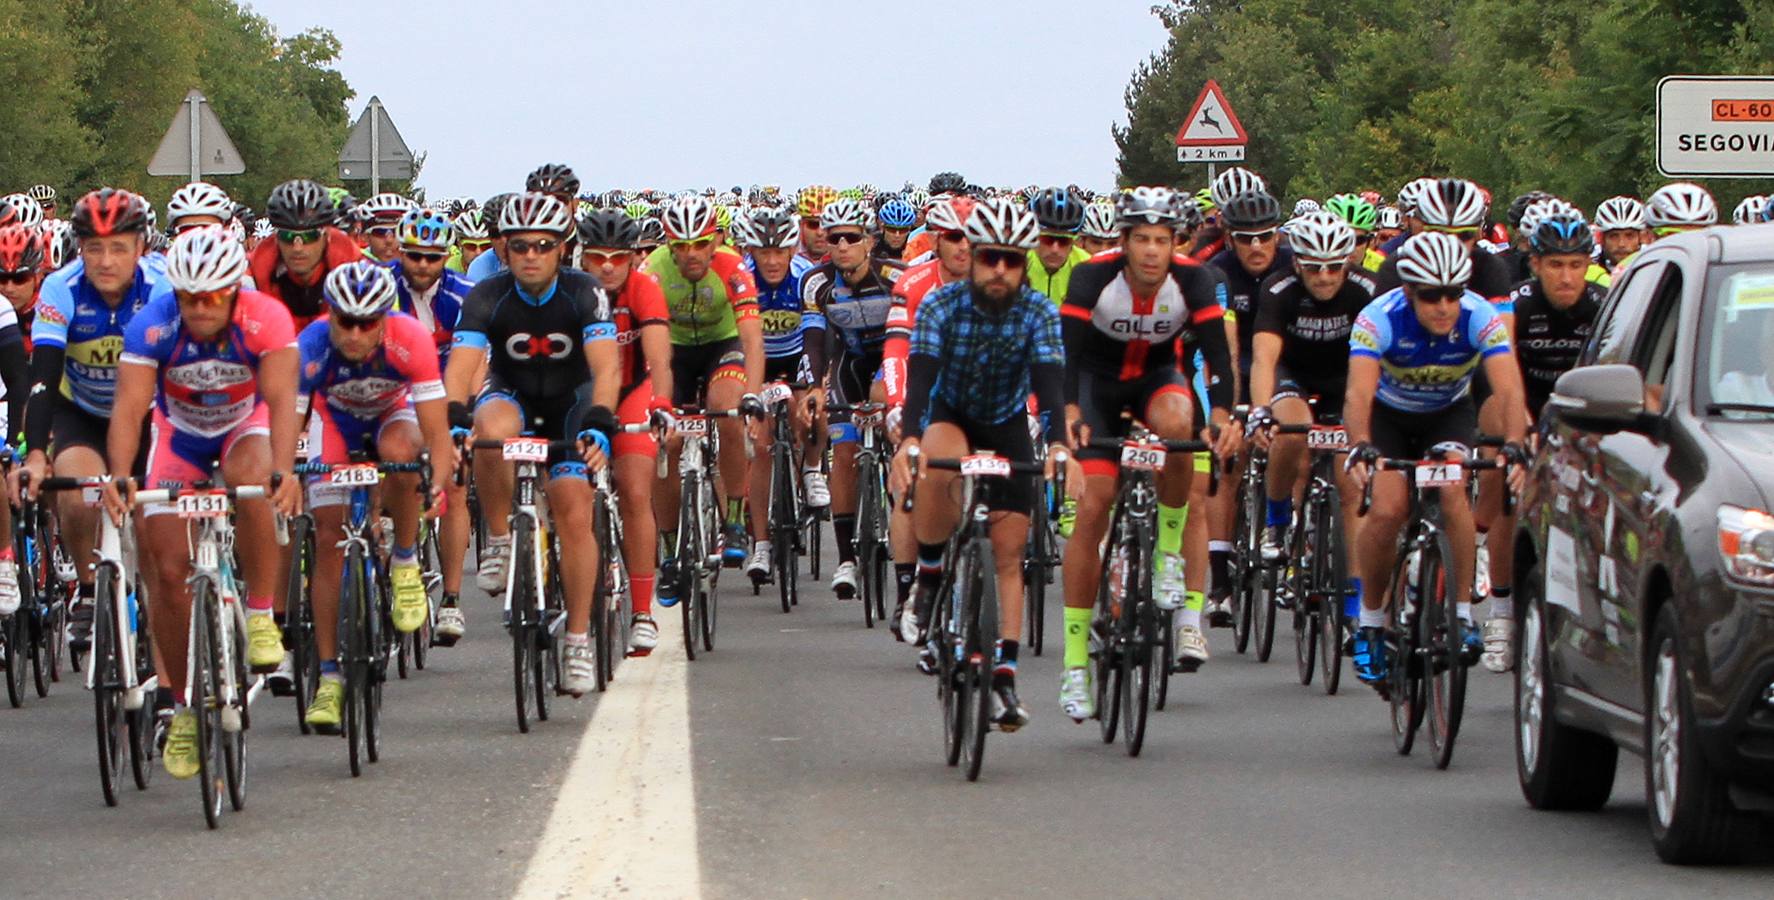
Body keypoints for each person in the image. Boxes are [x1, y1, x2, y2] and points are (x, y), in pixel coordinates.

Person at [102, 226, 301, 778]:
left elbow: (284, 402)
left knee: (254, 479)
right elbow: (130, 409)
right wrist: (120, 475)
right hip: (181, 436)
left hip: (246, 426)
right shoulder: (154, 323)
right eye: (189, 296)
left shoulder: (267, 319)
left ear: (234, 291)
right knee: (165, 568)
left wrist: (284, 471)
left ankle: (260, 613)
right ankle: (183, 702)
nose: (200, 308)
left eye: (212, 296)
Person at [887, 197, 1073, 731]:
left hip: (1006, 420)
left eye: (1011, 261)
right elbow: (920, 379)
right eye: (990, 257)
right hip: (950, 412)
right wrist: (910, 440)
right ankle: (928, 572)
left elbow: (1050, 385)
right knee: (938, 463)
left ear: (1024, 263)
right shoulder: (943, 307)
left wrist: (1059, 445)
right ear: (973, 255)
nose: (998, 270)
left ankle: (1006, 679)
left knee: (1011, 551)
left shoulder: (1038, 312)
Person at [1054, 187, 1237, 719]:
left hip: (1158, 380)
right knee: (1094, 506)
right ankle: (1073, 664)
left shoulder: (1194, 279)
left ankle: (1168, 554)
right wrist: (1066, 411)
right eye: (1141, 240)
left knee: (1182, 425)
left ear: (1176, 242)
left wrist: (1223, 414)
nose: (1152, 251)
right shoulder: (1092, 276)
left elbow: (1215, 356)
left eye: (1162, 240)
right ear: (1124, 241)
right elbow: (1065, 354)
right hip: (1097, 385)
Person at [443, 192, 618, 697]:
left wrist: (601, 421)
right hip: (512, 392)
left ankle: (580, 638)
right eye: (519, 246)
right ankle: (499, 537)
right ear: (504, 248)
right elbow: (460, 369)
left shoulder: (585, 292)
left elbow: (606, 367)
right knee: (487, 432)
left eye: (543, 245)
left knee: (571, 508)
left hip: (571, 401)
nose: (531, 255)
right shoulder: (487, 294)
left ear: (562, 248)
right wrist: (455, 420)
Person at [1343, 232, 1528, 687]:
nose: (1443, 306)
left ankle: (1462, 613)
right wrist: (1361, 442)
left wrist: (1516, 444)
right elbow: (1358, 393)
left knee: (1451, 493)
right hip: (1387, 417)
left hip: (1447, 414)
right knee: (1387, 509)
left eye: (1453, 293)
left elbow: (1508, 389)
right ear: (1409, 291)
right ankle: (1369, 621)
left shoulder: (1480, 317)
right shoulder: (1378, 318)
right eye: (1430, 296)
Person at [294, 262, 452, 730]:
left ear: (385, 318)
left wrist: (439, 479)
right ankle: (328, 678)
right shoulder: (310, 344)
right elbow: (291, 424)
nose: (357, 334)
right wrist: (285, 473)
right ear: (331, 316)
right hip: (333, 421)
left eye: (369, 323)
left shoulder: (411, 339)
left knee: (401, 452)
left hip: (391, 414)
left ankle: (404, 560)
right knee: (328, 541)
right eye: (347, 322)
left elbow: (435, 427)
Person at [18, 189, 170, 652]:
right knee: (75, 491)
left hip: (147, 413)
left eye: (118, 247)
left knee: (152, 515)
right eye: (93, 249)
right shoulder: (60, 288)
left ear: (141, 247)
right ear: (78, 249)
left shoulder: (161, 286)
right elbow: (41, 379)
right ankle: (87, 589)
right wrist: (38, 455)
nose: (105, 261)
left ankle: (152, 597)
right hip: (80, 409)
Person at [1475, 211, 1604, 673]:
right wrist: (1522, 431)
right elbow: (1501, 368)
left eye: (1575, 264)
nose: (1566, 276)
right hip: (1516, 395)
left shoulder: (1603, 305)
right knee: (1507, 475)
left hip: (1575, 408)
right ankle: (1503, 614)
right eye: (1555, 265)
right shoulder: (1519, 304)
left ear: (1588, 263)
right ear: (1535, 265)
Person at [1245, 211, 1374, 635]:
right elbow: (1264, 357)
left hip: (1344, 382)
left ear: (1347, 263)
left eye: (1334, 266)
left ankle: (1355, 603)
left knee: (1351, 484)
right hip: (1292, 375)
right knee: (1291, 433)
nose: (1324, 276)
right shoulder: (1279, 288)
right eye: (1314, 267)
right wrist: (1261, 410)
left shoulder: (1364, 292)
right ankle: (1278, 522)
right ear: (1297, 263)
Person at [644, 195, 765, 594]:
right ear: (669, 244)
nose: (691, 253)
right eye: (681, 245)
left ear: (716, 241)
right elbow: (650, 339)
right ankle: (667, 547)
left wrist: (753, 395)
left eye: (700, 243)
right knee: (667, 442)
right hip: (674, 351)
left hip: (722, 344)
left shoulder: (733, 267)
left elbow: (752, 339)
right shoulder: (655, 270)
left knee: (727, 406)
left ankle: (733, 518)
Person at [577, 209, 674, 655]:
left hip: (634, 389)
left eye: (619, 257)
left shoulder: (644, 288)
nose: (609, 267)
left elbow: (657, 358)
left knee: (635, 489)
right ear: (581, 258)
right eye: (598, 258)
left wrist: (660, 404)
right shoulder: (568, 289)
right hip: (581, 391)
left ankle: (641, 612)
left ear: (634, 257)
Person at [799, 197, 904, 599]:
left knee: (895, 435)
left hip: (891, 358)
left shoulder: (895, 277)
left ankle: (903, 518)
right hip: (847, 361)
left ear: (868, 241)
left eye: (851, 237)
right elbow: (812, 339)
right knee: (842, 451)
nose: (842, 246)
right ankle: (846, 560)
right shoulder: (816, 282)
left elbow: (908, 339)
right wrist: (813, 387)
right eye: (834, 238)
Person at [389, 208, 476, 639]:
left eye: (433, 257)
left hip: (446, 390)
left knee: (457, 484)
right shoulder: (383, 287)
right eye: (415, 256)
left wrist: (461, 415)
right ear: (401, 252)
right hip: (396, 389)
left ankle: (452, 600)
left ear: (447, 257)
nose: (423, 265)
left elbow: (475, 360)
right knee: (391, 467)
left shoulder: (464, 294)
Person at [733, 207, 824, 583]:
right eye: (762, 252)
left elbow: (820, 332)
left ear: (791, 251)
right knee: (765, 445)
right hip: (758, 358)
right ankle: (762, 545)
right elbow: (736, 338)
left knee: (811, 412)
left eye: (778, 252)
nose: (771, 261)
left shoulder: (806, 278)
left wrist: (818, 382)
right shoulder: (742, 279)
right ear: (751, 251)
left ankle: (812, 467)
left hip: (798, 353)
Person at [248, 179, 365, 331]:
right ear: (275, 238)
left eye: (310, 236)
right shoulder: (258, 267)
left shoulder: (350, 262)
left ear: (327, 235)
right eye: (287, 236)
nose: (297, 247)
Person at [1025, 188, 1091, 305]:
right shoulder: (1019, 262)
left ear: (1074, 240)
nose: (1055, 249)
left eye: (1063, 241)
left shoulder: (1087, 266)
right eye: (1047, 239)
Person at [1592, 196, 1647, 271]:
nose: (1621, 244)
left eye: (1629, 236)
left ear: (1641, 238)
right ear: (1602, 239)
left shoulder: (1656, 267)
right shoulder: (1587, 270)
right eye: (1614, 236)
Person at [359, 193, 417, 263]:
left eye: (398, 231)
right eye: (380, 232)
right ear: (365, 237)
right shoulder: (350, 269)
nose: (389, 240)